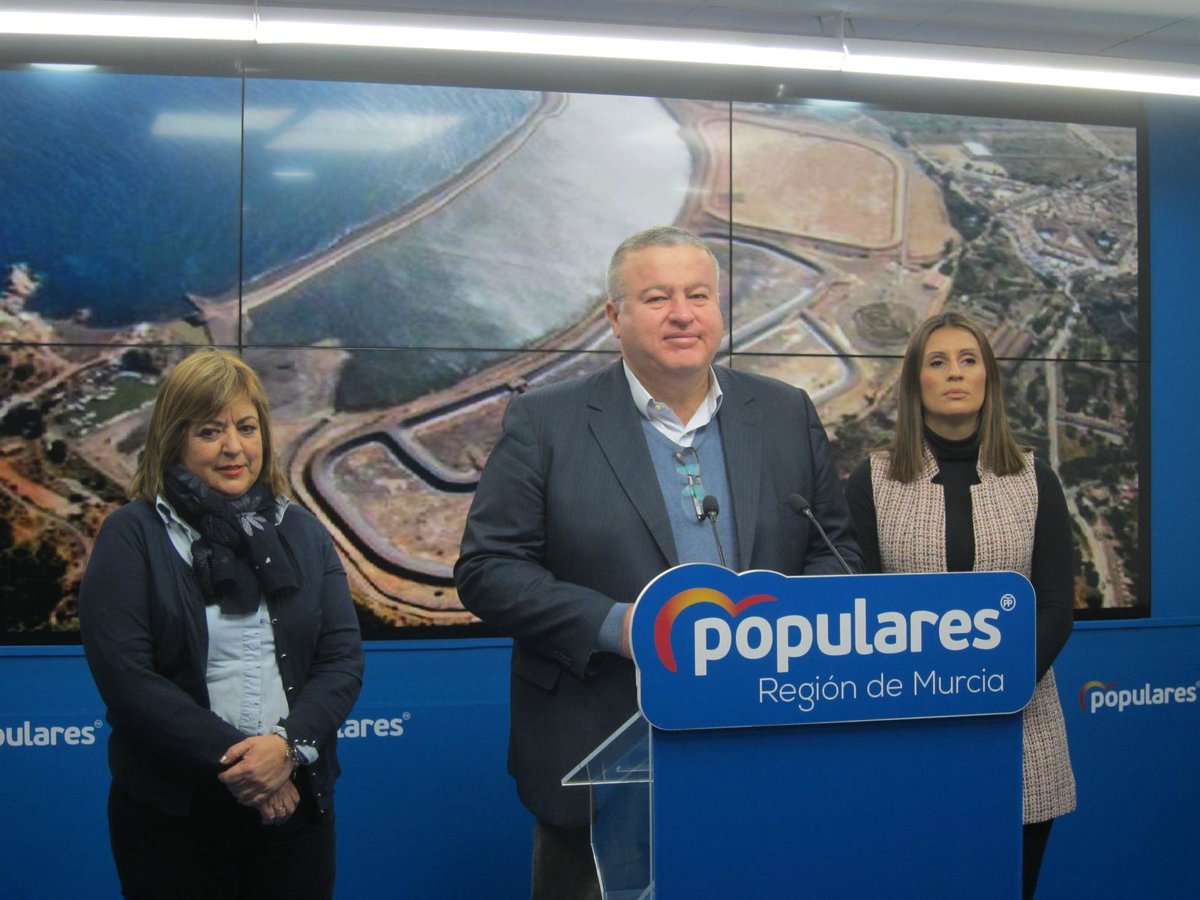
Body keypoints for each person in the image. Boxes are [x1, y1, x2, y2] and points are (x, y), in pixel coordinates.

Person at [455, 225, 861, 899]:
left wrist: (779, 624)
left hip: (759, 744)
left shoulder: (784, 411)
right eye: (657, 297)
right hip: (601, 752)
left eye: (698, 295)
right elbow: (488, 569)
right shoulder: (546, 421)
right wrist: (621, 626)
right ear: (615, 317)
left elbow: (834, 550)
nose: (682, 313)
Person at [79, 348, 364, 900]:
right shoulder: (131, 535)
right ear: (174, 441)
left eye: (246, 427)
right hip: (174, 818)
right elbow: (127, 679)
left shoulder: (304, 532)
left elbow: (341, 660)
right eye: (209, 431)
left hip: (295, 805)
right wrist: (249, 768)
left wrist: (285, 750)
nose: (234, 446)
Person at [845, 311, 1076, 898]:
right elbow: (857, 612)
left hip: (1021, 730)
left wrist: (997, 685)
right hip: (908, 730)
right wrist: (932, 692)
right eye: (938, 361)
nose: (955, 373)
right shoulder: (872, 481)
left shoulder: (1034, 478)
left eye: (969, 360)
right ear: (915, 382)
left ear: (988, 378)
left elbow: (1055, 605)